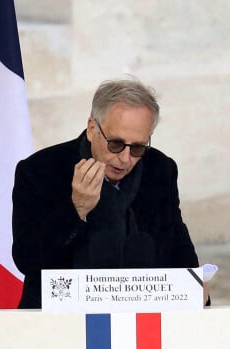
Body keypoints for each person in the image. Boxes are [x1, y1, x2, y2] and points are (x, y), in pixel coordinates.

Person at [12, 77, 206, 308]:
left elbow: (175, 239)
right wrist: (77, 208)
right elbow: (27, 259)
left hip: (143, 312)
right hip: (62, 315)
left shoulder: (160, 169)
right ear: (93, 129)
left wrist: (194, 284)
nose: (125, 159)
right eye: (115, 144)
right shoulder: (40, 170)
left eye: (137, 148)